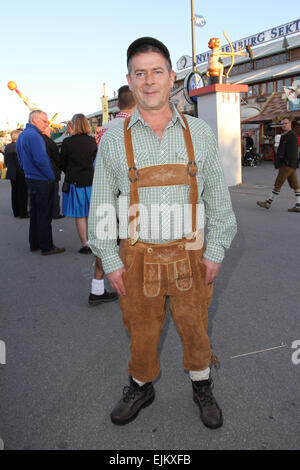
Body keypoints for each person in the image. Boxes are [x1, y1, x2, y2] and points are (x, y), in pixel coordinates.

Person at [88, 37, 237, 429]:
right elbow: (102, 205)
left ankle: (201, 384)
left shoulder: (200, 133)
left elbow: (219, 202)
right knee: (140, 328)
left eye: (157, 72)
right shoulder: (113, 139)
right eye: (141, 73)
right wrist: (111, 260)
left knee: (195, 327)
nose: (149, 81)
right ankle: (141, 385)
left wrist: (216, 250)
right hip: (135, 256)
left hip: (192, 254)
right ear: (130, 80)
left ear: (172, 78)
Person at [89, 85, 135, 306]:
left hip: (105, 190)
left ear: (118, 104)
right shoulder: (137, 126)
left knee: (105, 240)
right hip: (131, 192)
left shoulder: (103, 128)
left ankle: (97, 288)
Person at [16, 110, 65, 255]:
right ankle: (47, 246)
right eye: (44, 120)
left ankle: (35, 243)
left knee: (36, 213)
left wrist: (27, 171)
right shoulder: (35, 136)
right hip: (42, 180)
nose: (47, 123)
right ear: (34, 120)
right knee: (45, 214)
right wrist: (51, 176)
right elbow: (41, 160)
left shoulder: (22, 135)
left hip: (31, 178)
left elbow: (20, 158)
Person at [60, 113, 97, 252]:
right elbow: (94, 160)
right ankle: (94, 242)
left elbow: (61, 163)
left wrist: (69, 171)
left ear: (73, 125)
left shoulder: (67, 142)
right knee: (91, 213)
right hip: (91, 181)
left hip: (75, 181)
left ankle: (84, 244)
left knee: (80, 215)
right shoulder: (92, 141)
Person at [257, 116, 300, 212]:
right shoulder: (287, 134)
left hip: (287, 164)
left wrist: (285, 161)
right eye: (282, 123)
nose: (284, 125)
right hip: (290, 164)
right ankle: (298, 205)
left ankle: (268, 202)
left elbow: (293, 151)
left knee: (278, 183)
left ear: (290, 124)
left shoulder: (291, 135)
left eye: (286, 123)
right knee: (296, 185)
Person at [41, 126, 64, 219]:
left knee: (44, 194)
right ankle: (55, 213)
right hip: (52, 172)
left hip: (40, 173)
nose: (50, 133)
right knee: (54, 194)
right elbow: (57, 157)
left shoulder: (37, 141)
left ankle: (45, 212)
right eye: (49, 131)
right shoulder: (50, 142)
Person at [4, 129, 29, 218]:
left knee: (14, 192)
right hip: (20, 172)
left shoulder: (7, 147)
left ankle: (16, 212)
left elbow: (6, 161)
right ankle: (23, 212)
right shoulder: (19, 146)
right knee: (22, 192)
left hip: (11, 172)